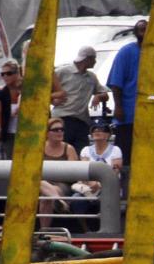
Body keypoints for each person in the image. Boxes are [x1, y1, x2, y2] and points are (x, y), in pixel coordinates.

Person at [106, 18, 147, 169]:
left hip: (149, 117)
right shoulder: (126, 51)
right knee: (125, 159)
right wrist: (118, 107)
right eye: (141, 29)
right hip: (128, 115)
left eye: (147, 29)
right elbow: (116, 83)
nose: (144, 32)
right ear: (136, 33)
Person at [53, 45, 108, 152]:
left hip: (82, 121)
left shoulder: (91, 77)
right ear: (88, 59)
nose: (95, 62)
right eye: (94, 59)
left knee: (82, 152)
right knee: (61, 151)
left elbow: (105, 94)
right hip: (63, 118)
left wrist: (98, 96)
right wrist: (53, 99)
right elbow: (46, 90)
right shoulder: (62, 72)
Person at [38, 117, 79, 230]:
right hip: (42, 183)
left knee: (46, 195)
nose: (60, 132)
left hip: (62, 184)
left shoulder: (69, 149)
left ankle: (43, 230)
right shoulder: (39, 148)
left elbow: (74, 173)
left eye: (62, 129)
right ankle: (58, 201)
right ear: (47, 133)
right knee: (41, 184)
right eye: (56, 130)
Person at [0, 59, 23, 158]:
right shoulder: (1, 92)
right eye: (3, 74)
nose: (5, 76)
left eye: (8, 73)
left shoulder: (27, 88)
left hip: (28, 132)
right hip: (9, 134)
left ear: (17, 73)